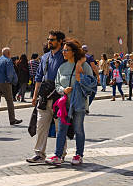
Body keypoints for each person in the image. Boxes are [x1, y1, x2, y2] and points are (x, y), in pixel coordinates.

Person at [46, 38, 96, 166]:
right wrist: (63, 90)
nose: (63, 52)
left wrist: (80, 78)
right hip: (64, 104)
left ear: (73, 52)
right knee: (61, 129)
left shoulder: (84, 66)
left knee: (78, 129)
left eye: (66, 50)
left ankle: (79, 154)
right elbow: (57, 84)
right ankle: (58, 156)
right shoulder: (62, 67)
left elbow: (92, 84)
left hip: (79, 103)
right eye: (63, 50)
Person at [26, 31, 66, 163]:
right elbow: (38, 77)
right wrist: (35, 95)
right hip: (44, 97)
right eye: (48, 39)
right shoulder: (45, 57)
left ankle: (61, 153)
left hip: (58, 97)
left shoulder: (65, 57)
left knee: (59, 126)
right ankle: (39, 153)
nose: (50, 41)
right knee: (41, 125)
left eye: (53, 39)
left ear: (60, 41)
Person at [0, 47, 22, 127]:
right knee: (10, 102)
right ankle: (12, 119)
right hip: (5, 83)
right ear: (8, 53)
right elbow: (10, 73)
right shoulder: (8, 61)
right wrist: (11, 81)